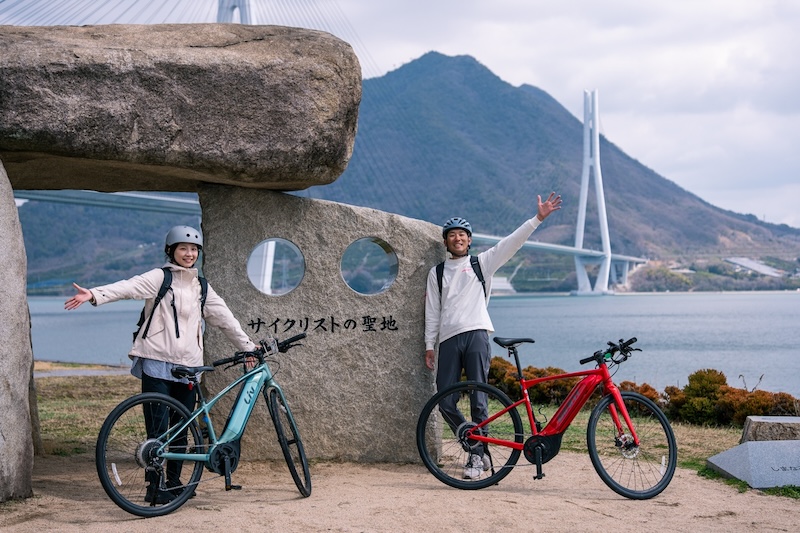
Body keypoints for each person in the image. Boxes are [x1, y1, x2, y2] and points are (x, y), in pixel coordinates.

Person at [65, 225, 258, 503]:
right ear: (171, 251)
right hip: (157, 362)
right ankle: (154, 487)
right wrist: (94, 294)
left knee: (182, 429)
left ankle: (175, 484)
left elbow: (225, 319)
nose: (189, 253)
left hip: (189, 367)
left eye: (194, 249)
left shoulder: (201, 286)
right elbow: (128, 287)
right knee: (157, 431)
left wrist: (248, 346)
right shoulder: (159, 278)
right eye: (183, 248)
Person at [424, 192, 562, 479]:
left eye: (462, 234)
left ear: (470, 240)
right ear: (445, 241)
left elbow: (511, 243)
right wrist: (429, 345)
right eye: (452, 235)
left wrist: (537, 218)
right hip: (448, 339)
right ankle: (475, 442)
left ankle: (477, 456)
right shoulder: (436, 273)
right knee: (444, 399)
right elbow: (432, 312)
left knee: (479, 397)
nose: (458, 239)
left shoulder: (481, 264)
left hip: (476, 334)